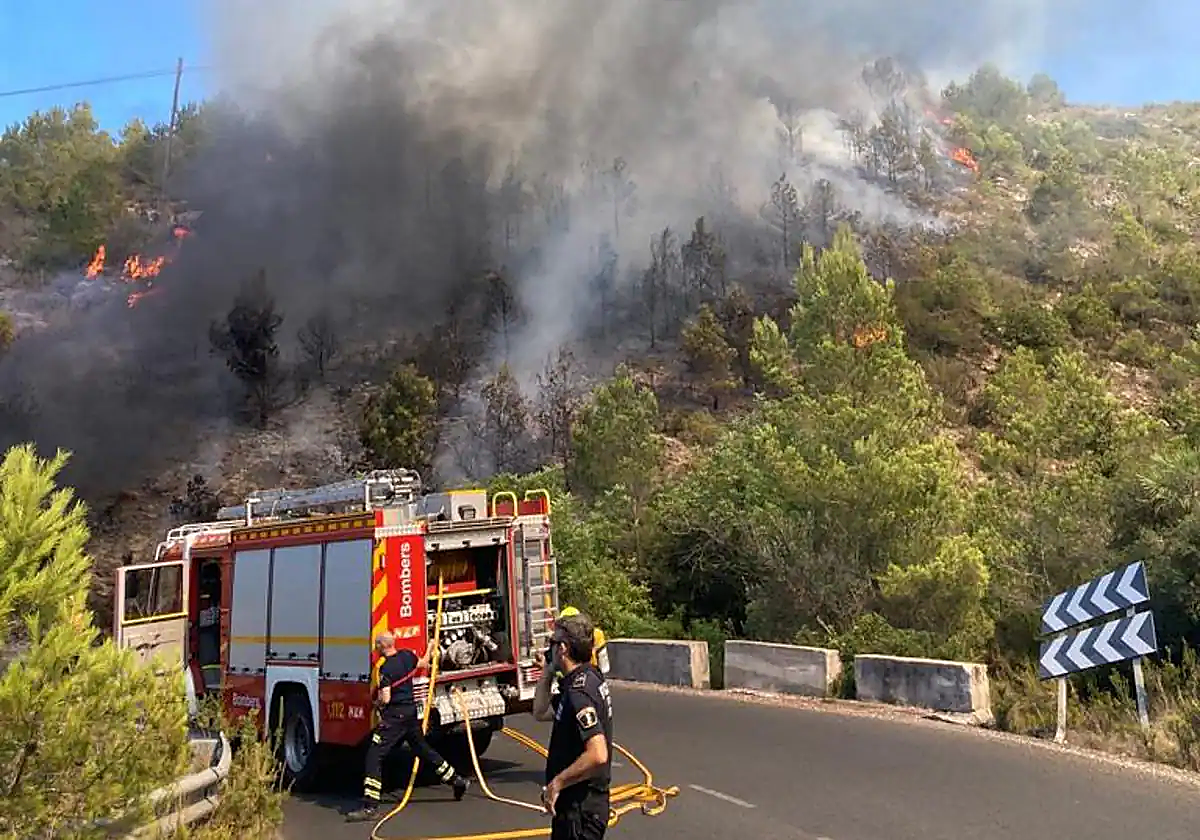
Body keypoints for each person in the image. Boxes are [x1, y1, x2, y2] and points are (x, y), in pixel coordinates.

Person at [345, 632, 470, 822]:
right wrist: (430, 646)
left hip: (394, 718)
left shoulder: (384, 668)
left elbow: (385, 698)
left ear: (380, 647)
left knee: (374, 756)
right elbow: (425, 662)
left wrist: (376, 704)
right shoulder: (406, 656)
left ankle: (371, 807)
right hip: (411, 714)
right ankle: (456, 780)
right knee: (423, 749)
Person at [533, 612, 614, 840]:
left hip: (580, 810)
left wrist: (557, 783)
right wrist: (547, 672)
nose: (549, 649)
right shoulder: (586, 679)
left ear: (563, 648)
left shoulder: (579, 693)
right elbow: (540, 712)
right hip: (577, 808)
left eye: (552, 643)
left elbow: (598, 754)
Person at [557, 606, 610, 676]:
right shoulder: (595, 633)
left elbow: (603, 660)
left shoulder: (596, 634)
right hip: (586, 674)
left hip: (589, 673)